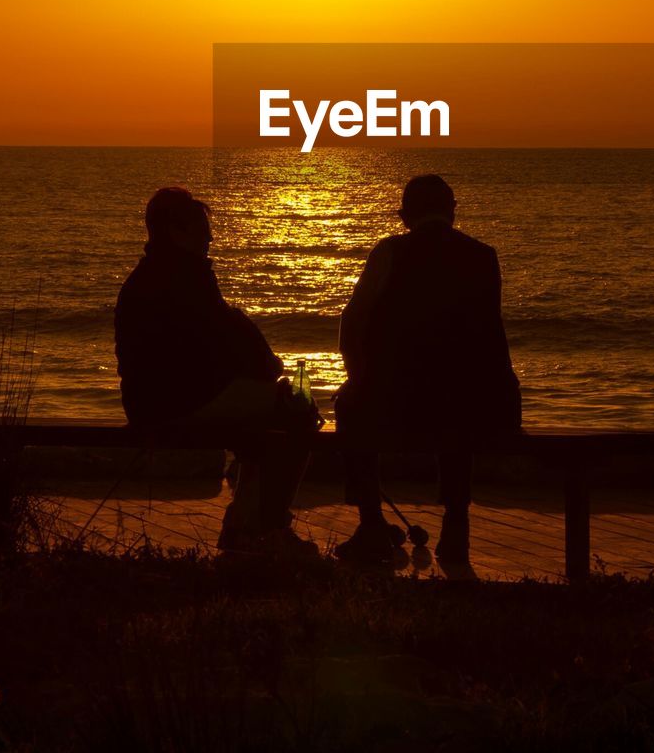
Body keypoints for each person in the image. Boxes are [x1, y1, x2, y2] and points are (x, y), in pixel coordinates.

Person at [114, 186, 317, 554]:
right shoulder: (187, 278)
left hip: (152, 402)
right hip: (178, 405)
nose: (210, 236)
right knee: (298, 408)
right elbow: (233, 344)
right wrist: (266, 365)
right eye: (202, 228)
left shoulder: (146, 277)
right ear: (177, 231)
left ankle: (245, 523)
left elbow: (219, 343)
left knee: (262, 421)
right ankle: (268, 528)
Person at [334, 174, 521, 564]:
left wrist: (356, 377)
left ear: (404, 216)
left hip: (398, 401)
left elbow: (353, 320)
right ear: (452, 212)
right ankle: (456, 523)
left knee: (349, 408)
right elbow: (490, 334)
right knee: (457, 400)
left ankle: (370, 523)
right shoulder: (483, 255)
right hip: (467, 400)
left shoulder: (389, 251)